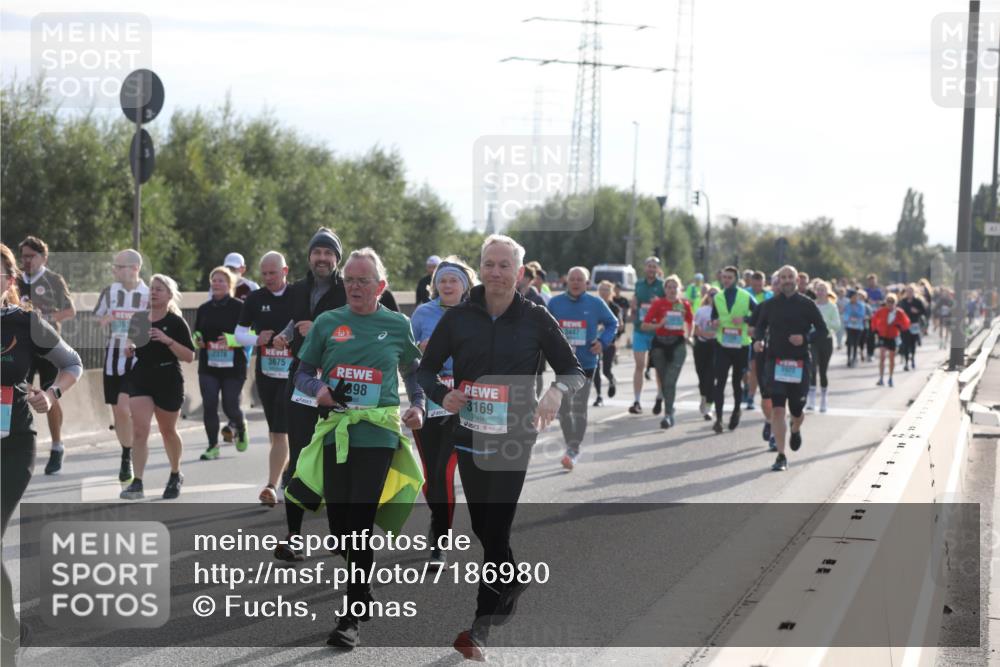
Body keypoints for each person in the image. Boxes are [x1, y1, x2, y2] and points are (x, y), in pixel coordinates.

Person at [417, 235, 585, 660]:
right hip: (471, 433)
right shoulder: (458, 319)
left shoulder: (536, 318)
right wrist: (442, 395)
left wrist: (555, 394)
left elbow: (573, 370)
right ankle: (512, 578)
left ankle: (481, 627)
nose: (496, 272)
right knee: (483, 528)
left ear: (520, 272)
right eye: (489, 264)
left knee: (497, 530)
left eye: (504, 265)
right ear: (481, 268)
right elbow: (426, 370)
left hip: (513, 437)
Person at [287, 247, 426, 649]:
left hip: (378, 434)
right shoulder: (329, 322)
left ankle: (350, 618)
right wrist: (320, 390)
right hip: (336, 430)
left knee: (360, 524)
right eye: (349, 279)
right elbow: (302, 373)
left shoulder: (398, 325)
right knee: (339, 529)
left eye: (363, 280)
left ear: (381, 286)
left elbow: (413, 374)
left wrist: (417, 405)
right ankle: (362, 591)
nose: (354, 286)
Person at [271, 228, 401, 561]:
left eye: (329, 254)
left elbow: (386, 312)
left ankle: (348, 532)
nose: (323, 258)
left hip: (345, 389)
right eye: (318, 252)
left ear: (337, 260)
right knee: (300, 459)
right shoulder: (297, 290)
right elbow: (289, 320)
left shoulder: (352, 286)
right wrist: (285, 335)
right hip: (303, 382)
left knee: (344, 463)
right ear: (309, 256)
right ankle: (294, 536)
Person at [1, 243, 82, 665]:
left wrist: (50, 394)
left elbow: (72, 363)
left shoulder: (24, 322)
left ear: (10, 281)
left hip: (12, 442)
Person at [409, 256, 478, 565]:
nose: (447, 285)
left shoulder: (476, 313)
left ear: (465, 286)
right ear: (435, 284)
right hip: (429, 399)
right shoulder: (423, 313)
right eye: (442, 280)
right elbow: (407, 356)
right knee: (430, 475)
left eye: (454, 280)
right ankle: (440, 518)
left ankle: (440, 541)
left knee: (444, 472)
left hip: (461, 401)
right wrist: (420, 352)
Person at [120, 274, 196, 500]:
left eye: (159, 289)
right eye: (151, 288)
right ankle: (138, 482)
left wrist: (167, 340)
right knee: (140, 430)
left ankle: (175, 474)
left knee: (167, 431)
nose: (153, 292)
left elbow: (190, 356)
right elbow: (130, 341)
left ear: (170, 295)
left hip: (168, 378)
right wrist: (129, 347)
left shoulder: (175, 322)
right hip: (142, 376)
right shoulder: (139, 318)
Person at [752, 265, 828, 471]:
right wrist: (757, 341)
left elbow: (822, 330)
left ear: (796, 281)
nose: (786, 280)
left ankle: (795, 428)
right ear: (778, 281)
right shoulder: (769, 305)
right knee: (778, 409)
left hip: (800, 363)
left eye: (789, 277)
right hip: (775, 362)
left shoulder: (807, 304)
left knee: (796, 409)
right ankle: (781, 455)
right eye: (782, 277)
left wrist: (805, 338)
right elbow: (759, 326)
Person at [236, 251, 295, 505]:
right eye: (265, 273)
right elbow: (239, 333)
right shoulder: (256, 298)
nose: (268, 278)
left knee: (281, 431)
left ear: (285, 271)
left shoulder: (298, 296)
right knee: (276, 432)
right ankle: (285, 475)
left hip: (295, 374)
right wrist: (256, 339)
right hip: (267, 372)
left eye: (273, 273)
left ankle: (272, 486)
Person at [548, 267, 617, 469]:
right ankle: (572, 445)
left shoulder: (596, 303)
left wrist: (602, 343)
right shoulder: (555, 303)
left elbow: (613, 323)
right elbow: (544, 328)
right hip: (563, 363)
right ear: (566, 281)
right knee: (562, 409)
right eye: (573, 279)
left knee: (578, 408)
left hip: (586, 363)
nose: (576, 282)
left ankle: (573, 450)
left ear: (587, 283)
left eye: (580, 279)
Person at [17, 236, 75, 475]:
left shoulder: (53, 280)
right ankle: (16, 444)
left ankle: (57, 446)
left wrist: (46, 318)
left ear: (43, 257)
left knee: (51, 396)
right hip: (23, 346)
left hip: (49, 347)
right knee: (19, 393)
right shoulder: (17, 280)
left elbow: (70, 311)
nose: (27, 261)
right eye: (24, 256)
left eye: (31, 256)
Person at [93, 249, 149, 483]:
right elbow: (96, 320)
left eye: (119, 266)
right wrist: (106, 320)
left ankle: (133, 455)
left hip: (138, 360)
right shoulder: (109, 292)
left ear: (134, 268)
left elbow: (159, 321)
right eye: (115, 266)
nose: (114, 270)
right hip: (113, 359)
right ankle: (126, 454)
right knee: (119, 413)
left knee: (126, 409)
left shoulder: (149, 293)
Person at [194, 267, 249, 461]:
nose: (217, 284)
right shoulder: (204, 309)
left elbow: (251, 335)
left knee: (229, 406)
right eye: (214, 280)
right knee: (209, 405)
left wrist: (232, 340)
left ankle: (240, 426)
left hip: (234, 366)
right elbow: (197, 332)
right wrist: (198, 340)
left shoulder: (240, 307)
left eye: (221, 281)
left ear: (230, 285)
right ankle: (212, 446)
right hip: (209, 365)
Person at [641, 274, 693, 428]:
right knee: (664, 382)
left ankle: (668, 415)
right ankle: (670, 406)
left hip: (677, 344)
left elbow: (691, 321)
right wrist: (659, 325)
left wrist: (689, 335)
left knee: (670, 381)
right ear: (665, 289)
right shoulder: (658, 304)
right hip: (660, 345)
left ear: (679, 289)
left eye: (674, 287)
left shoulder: (684, 305)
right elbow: (644, 325)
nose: (671, 290)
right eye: (669, 287)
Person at [710, 266, 756, 434]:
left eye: (729, 277)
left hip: (741, 345)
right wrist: (714, 321)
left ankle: (736, 411)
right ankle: (719, 419)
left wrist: (745, 319)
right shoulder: (718, 297)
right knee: (719, 382)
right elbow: (713, 316)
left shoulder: (745, 296)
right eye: (724, 277)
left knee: (737, 381)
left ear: (735, 279)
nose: (726, 280)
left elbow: (759, 313)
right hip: (723, 344)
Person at [629, 257, 665, 415]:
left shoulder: (662, 285)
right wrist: (633, 304)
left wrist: (660, 302)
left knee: (658, 367)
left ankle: (659, 396)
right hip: (640, 329)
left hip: (657, 331)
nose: (651, 269)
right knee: (639, 365)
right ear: (645, 268)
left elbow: (671, 305)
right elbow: (635, 303)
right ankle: (637, 401)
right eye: (649, 266)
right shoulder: (639, 284)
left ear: (658, 269)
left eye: (654, 267)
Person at [807, 281, 841, 412]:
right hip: (813, 340)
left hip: (826, 340)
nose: (820, 292)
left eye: (823, 290)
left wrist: (823, 324)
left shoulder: (832, 307)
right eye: (818, 290)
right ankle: (811, 400)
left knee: (822, 371)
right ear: (815, 291)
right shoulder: (812, 305)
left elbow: (837, 325)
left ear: (827, 292)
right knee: (812, 369)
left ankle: (823, 399)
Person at [592, 280, 624, 406]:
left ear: (611, 292)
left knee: (606, 370)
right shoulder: (594, 306)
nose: (604, 292)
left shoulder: (615, 308)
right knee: (595, 368)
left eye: (606, 290)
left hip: (609, 342)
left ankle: (611, 380)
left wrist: (607, 327)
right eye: (601, 289)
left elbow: (620, 325)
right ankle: (599, 396)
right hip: (595, 341)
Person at [871, 294, 911, 387]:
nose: (890, 304)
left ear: (895, 303)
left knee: (892, 359)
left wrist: (900, 326)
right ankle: (881, 378)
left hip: (893, 337)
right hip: (883, 336)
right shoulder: (881, 311)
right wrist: (875, 329)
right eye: (888, 302)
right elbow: (874, 319)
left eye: (892, 302)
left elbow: (907, 323)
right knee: (882, 357)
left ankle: (890, 378)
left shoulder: (899, 312)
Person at [692, 288, 719, 420]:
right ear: (707, 297)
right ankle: (703, 396)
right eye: (711, 295)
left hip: (716, 346)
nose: (713, 297)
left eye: (716, 295)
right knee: (702, 376)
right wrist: (705, 334)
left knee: (711, 377)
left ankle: (709, 407)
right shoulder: (701, 310)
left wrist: (716, 334)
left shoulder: (722, 311)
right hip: (702, 345)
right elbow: (695, 330)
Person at [898, 284, 928, 371]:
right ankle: (907, 362)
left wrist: (917, 311)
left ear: (914, 292)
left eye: (911, 292)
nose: (909, 293)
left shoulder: (917, 301)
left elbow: (924, 312)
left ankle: (913, 359)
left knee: (913, 343)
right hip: (904, 326)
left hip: (914, 324)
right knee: (905, 344)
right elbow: (898, 312)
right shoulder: (902, 302)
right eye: (908, 292)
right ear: (906, 293)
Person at [842, 289, 866, 367]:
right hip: (849, 326)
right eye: (853, 297)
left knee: (856, 343)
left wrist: (855, 316)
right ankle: (848, 358)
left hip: (858, 327)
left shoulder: (861, 305)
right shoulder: (848, 305)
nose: (855, 298)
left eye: (856, 297)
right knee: (849, 343)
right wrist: (849, 318)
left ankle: (854, 358)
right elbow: (846, 315)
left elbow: (862, 315)